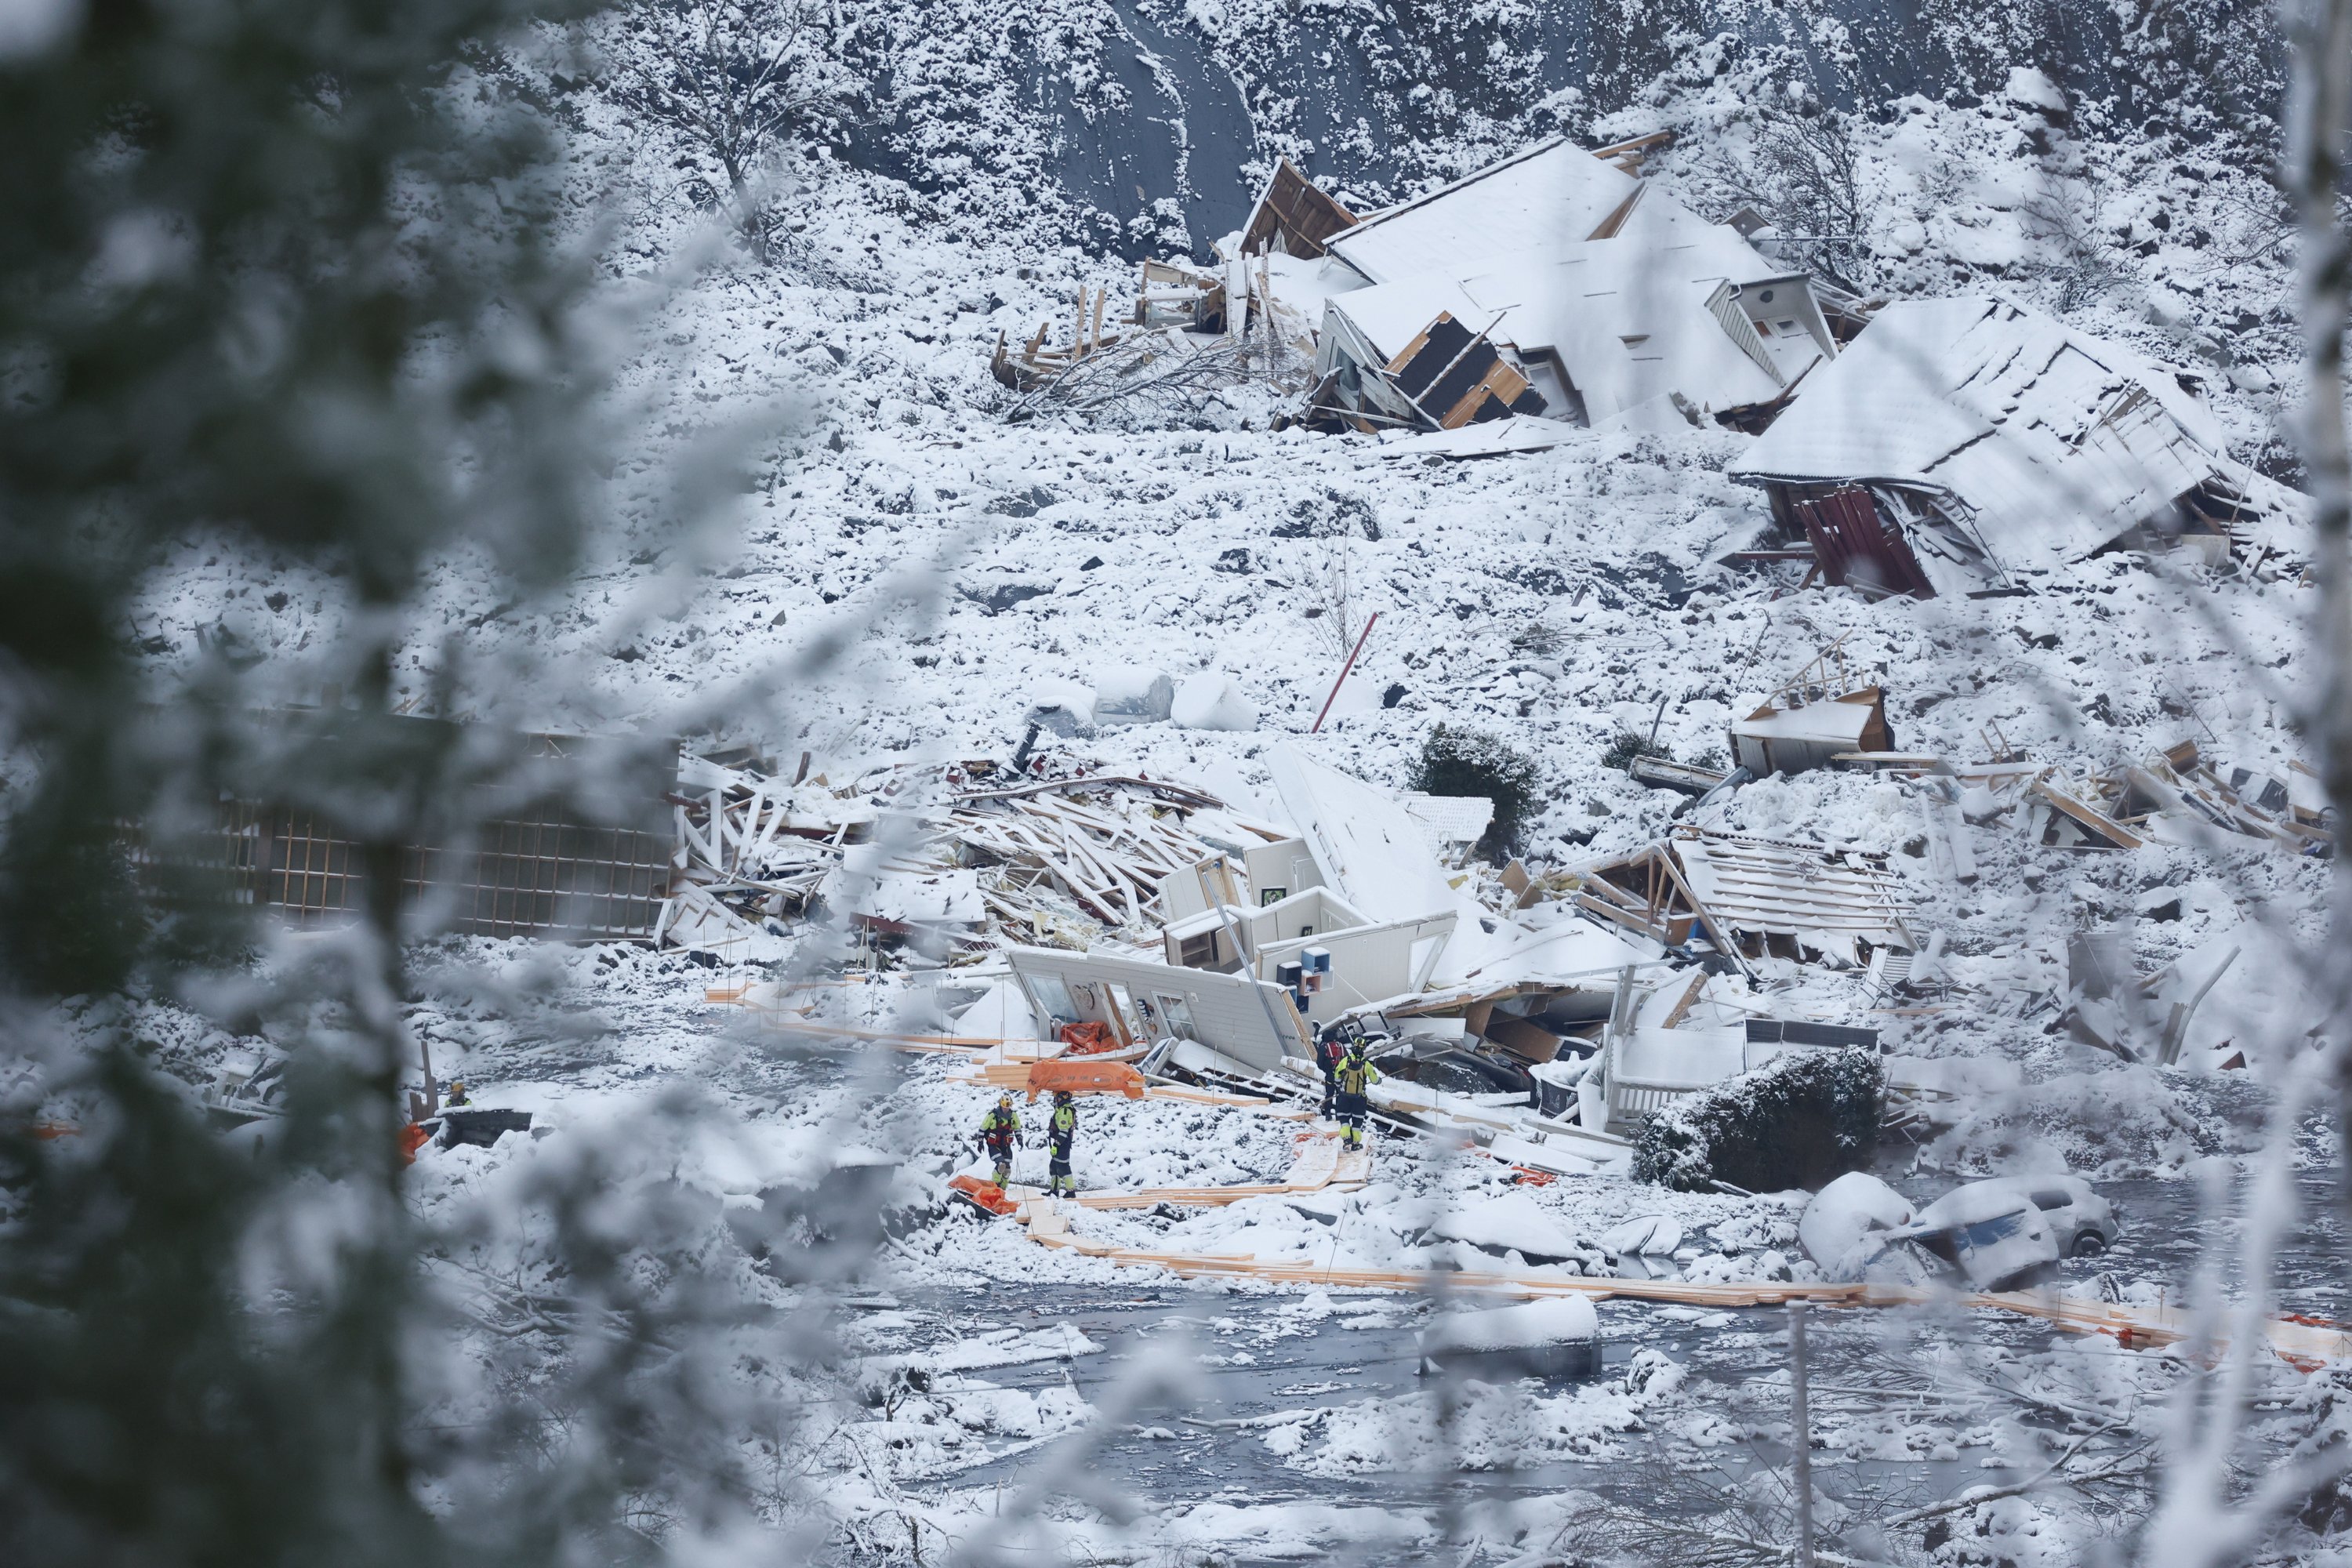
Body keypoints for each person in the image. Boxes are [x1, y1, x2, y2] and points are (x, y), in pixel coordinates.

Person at [1334, 1038, 1382, 1152]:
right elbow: (1375, 1081)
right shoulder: (1366, 1064)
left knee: (1344, 1120)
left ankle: (1346, 1140)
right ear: (1364, 1049)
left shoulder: (1346, 1060)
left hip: (1344, 1097)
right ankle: (1356, 1143)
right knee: (1357, 1122)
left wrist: (1339, 1085)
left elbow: (1337, 1075)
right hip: (1359, 1099)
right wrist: (1379, 1081)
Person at [978, 1093, 1021, 1188]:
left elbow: (1017, 1128)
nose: (1006, 1109)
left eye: (1008, 1106)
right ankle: (995, 1186)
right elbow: (982, 1128)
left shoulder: (1013, 1116)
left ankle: (1003, 1188)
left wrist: (1020, 1140)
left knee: (1007, 1170)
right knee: (1001, 1165)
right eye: (1005, 1106)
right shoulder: (993, 1115)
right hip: (994, 1145)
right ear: (1001, 1105)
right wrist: (980, 1142)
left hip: (1005, 1146)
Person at [1046, 1090, 1078, 1198]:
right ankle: (1054, 1191)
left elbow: (1064, 1132)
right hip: (1060, 1142)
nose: (1056, 1100)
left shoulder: (1065, 1112)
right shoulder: (1062, 1110)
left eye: (1057, 1098)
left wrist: (1056, 1145)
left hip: (1062, 1144)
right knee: (1054, 1167)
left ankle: (1071, 1191)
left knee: (1063, 1168)